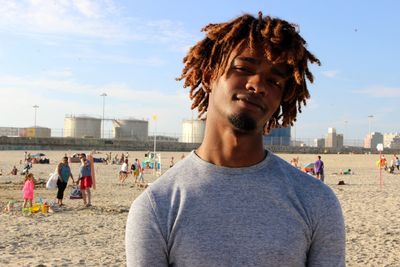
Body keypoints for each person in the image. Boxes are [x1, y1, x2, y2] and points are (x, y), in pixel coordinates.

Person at [126, 12, 345, 266]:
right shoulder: (157, 206)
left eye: (274, 80)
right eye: (243, 68)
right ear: (209, 75)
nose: (257, 85)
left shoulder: (316, 202)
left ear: (283, 97)